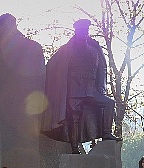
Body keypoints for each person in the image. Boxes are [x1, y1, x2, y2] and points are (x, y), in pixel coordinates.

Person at [42, 18, 118, 153]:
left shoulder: (94, 48)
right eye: (81, 31)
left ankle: (106, 133)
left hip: (91, 90)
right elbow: (53, 67)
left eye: (86, 31)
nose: (84, 33)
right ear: (76, 32)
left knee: (109, 104)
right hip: (74, 91)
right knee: (74, 120)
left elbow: (101, 68)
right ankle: (74, 148)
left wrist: (100, 86)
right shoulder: (67, 50)